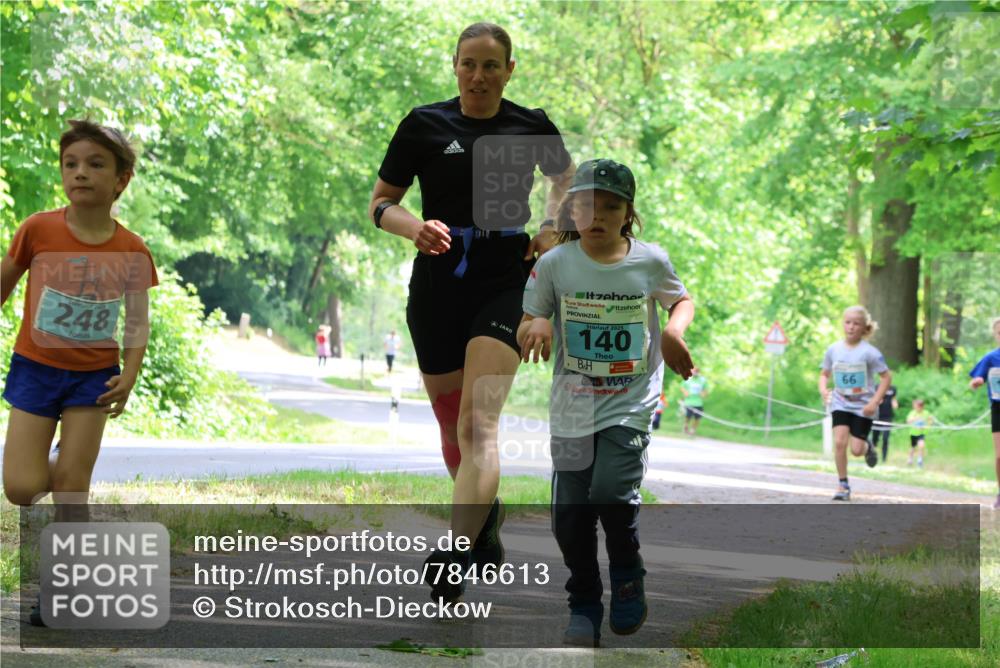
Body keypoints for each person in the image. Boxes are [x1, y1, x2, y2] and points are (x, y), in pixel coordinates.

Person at [367, 22, 575, 600]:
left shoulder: (531, 124)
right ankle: (483, 525)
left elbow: (565, 179)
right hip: (436, 285)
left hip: (507, 282)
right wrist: (415, 228)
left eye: (491, 66)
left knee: (477, 424)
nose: (478, 76)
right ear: (454, 67)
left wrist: (554, 226)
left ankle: (457, 552)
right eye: (468, 64)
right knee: (451, 428)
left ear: (510, 69)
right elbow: (381, 203)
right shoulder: (424, 124)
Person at [518, 159, 695, 646]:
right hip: (573, 403)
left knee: (611, 490)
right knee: (569, 513)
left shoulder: (649, 261)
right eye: (586, 205)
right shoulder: (554, 264)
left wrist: (675, 332)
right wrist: (537, 324)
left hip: (629, 401)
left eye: (610, 206)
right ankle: (584, 602)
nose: (597, 215)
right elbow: (530, 317)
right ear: (570, 210)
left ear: (627, 214)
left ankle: (627, 572)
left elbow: (681, 300)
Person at [0, 120, 158, 626]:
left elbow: (136, 322)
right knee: (21, 488)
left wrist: (129, 374)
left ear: (121, 180)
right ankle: (54, 454)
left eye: (95, 164)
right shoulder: (38, 230)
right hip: (35, 370)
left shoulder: (132, 249)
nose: (80, 173)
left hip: (94, 380)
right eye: (71, 164)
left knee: (72, 487)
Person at [818, 305, 892, 501]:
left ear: (864, 328)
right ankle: (843, 484)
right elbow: (824, 374)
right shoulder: (833, 349)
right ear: (843, 324)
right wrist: (824, 390)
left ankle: (868, 447)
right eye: (847, 322)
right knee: (840, 442)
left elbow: (886, 378)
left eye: (856, 324)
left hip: (863, 406)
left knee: (856, 450)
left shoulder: (870, 353)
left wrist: (874, 402)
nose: (851, 327)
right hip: (841, 402)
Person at [969, 317, 1000, 508]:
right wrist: (976, 382)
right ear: (995, 335)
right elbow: (976, 378)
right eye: (999, 332)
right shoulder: (991, 358)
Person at [871, 383, 898, 462]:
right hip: (877, 417)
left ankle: (884, 459)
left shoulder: (893, 388)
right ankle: (872, 455)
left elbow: (893, 399)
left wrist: (895, 403)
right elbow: (873, 399)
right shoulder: (877, 387)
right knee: (875, 438)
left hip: (888, 417)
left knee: (885, 438)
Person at [680, 368, 709, 435]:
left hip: (698, 403)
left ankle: (693, 430)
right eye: (693, 371)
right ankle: (686, 426)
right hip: (689, 402)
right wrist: (685, 392)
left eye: (696, 371)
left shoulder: (702, 380)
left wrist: (704, 394)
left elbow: (706, 390)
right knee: (688, 416)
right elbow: (682, 387)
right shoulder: (688, 378)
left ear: (698, 372)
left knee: (697, 418)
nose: (695, 372)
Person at [905, 398, 931, 468]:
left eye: (918, 406)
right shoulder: (913, 413)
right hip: (913, 433)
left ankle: (920, 460)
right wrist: (914, 419)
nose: (916, 408)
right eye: (915, 406)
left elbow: (930, 421)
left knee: (921, 445)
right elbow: (908, 421)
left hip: (921, 433)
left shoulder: (926, 413)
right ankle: (910, 459)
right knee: (913, 447)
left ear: (921, 407)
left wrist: (927, 426)